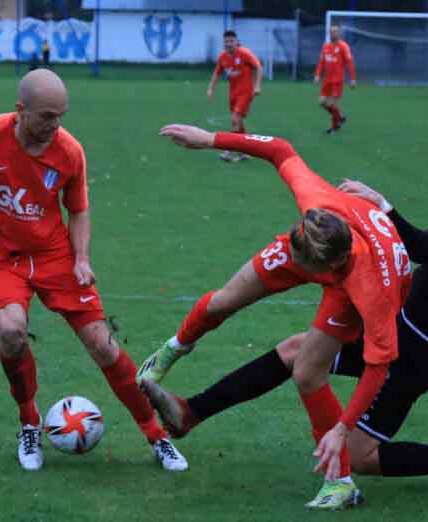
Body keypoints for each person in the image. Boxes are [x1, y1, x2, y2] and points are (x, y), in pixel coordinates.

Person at [142, 141, 428, 500]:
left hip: (412, 351)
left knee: (361, 455)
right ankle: (189, 412)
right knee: (298, 352)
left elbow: (425, 249)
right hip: (417, 338)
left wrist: (385, 206)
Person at [0, 69, 188, 473]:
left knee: (103, 345)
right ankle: (29, 423)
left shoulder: (69, 151)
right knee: (12, 332)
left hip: (55, 257)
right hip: (0, 258)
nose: (55, 125)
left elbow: (79, 209)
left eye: (61, 115)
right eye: (47, 116)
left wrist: (81, 258)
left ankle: (157, 436)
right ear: (21, 111)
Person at [142, 124, 412, 510]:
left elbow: (378, 365)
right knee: (223, 301)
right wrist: (210, 139)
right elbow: (281, 149)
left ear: (330, 265)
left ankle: (341, 484)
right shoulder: (316, 209)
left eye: (305, 267)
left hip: (348, 286)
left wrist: (341, 428)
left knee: (306, 373)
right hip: (326, 246)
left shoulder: (371, 290)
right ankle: (170, 352)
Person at [206, 31, 262, 162]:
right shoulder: (223, 57)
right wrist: (210, 88)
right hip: (233, 93)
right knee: (238, 122)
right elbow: (217, 73)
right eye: (226, 41)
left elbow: (258, 67)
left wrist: (257, 86)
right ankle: (245, 152)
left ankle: (228, 150)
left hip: (246, 92)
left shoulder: (244, 53)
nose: (228, 44)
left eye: (231, 41)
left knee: (235, 119)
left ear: (237, 42)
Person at [314, 25, 356, 134]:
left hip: (337, 81)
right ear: (329, 33)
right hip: (327, 81)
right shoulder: (326, 47)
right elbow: (321, 63)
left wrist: (352, 79)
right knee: (322, 102)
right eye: (331, 31)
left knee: (331, 104)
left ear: (339, 33)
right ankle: (340, 116)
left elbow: (349, 63)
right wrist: (317, 75)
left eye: (335, 31)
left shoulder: (343, 46)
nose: (333, 33)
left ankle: (334, 127)